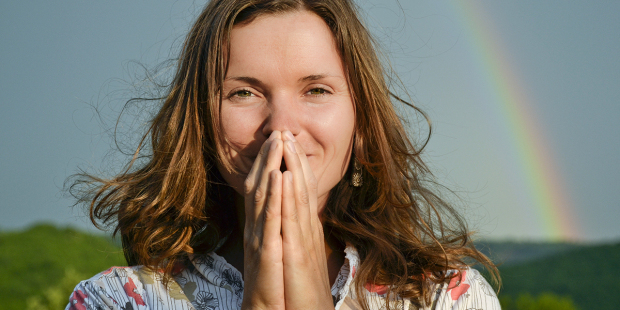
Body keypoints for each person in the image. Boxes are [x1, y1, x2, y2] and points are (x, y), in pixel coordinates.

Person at [67, 0, 501, 309]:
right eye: (243, 92)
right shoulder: (120, 301)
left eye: (316, 90)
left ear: (362, 122)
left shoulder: (448, 298)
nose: (281, 125)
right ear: (200, 123)